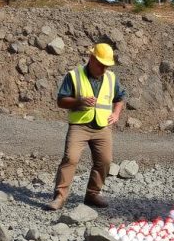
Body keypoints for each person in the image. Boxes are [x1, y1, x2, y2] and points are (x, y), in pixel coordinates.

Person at [45, 43, 126, 211]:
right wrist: (79, 101)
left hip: (102, 127)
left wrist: (116, 113)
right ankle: (60, 197)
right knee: (71, 159)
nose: (104, 68)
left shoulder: (111, 78)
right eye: (101, 64)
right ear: (91, 58)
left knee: (104, 161)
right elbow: (61, 100)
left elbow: (120, 97)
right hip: (79, 126)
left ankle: (92, 194)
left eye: (107, 65)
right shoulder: (74, 76)